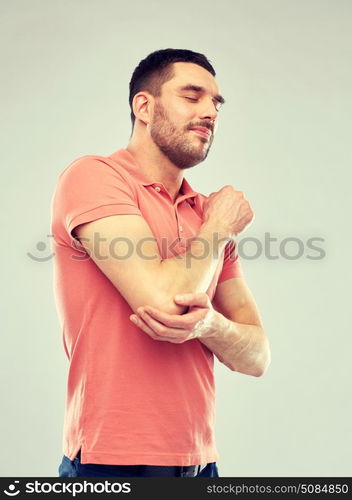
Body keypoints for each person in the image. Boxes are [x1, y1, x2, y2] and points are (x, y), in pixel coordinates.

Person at [51, 48, 271, 478]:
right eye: (192, 96)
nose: (210, 111)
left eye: (216, 103)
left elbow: (257, 356)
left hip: (200, 461)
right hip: (112, 461)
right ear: (144, 107)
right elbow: (166, 305)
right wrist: (218, 229)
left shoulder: (205, 214)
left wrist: (210, 325)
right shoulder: (94, 177)